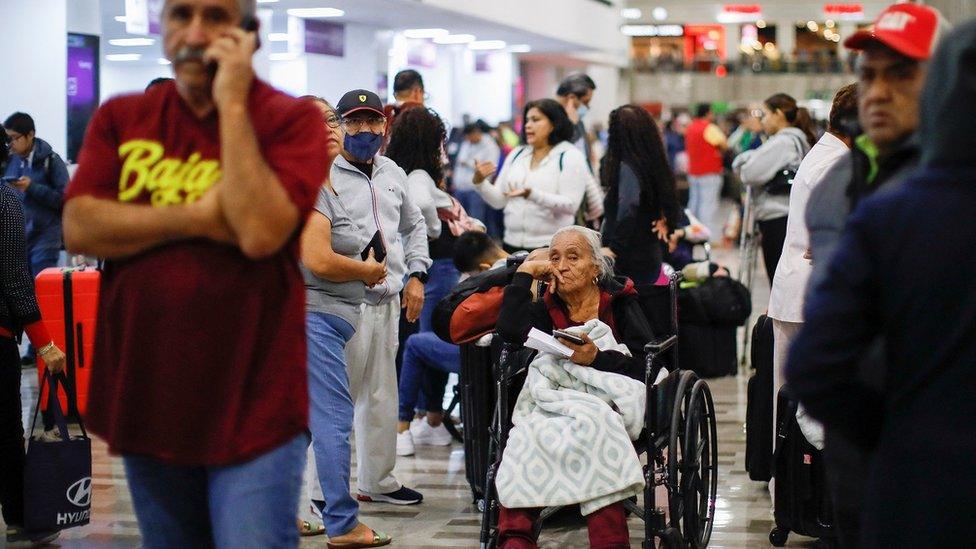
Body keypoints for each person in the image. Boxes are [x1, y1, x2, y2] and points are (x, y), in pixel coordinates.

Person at [61, 1, 330, 546]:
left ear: (249, 32)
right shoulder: (121, 118)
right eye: (181, 14)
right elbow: (81, 226)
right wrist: (199, 217)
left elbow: (257, 230)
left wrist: (232, 103)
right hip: (149, 394)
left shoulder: (288, 119)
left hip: (254, 399)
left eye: (217, 16)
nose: (196, 32)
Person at [786, 20, 976, 548]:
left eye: (901, 75)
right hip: (874, 450)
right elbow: (818, 362)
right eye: (869, 76)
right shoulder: (836, 180)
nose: (880, 93)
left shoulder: (919, 192)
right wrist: (880, 435)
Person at [494, 226, 654, 549]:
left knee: (596, 426)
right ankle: (515, 539)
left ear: (595, 268)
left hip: (604, 401)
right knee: (523, 434)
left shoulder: (619, 303)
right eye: (555, 258)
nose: (562, 266)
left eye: (573, 257)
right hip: (553, 401)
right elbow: (509, 331)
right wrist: (525, 273)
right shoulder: (547, 306)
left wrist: (595, 358)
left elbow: (645, 364)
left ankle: (609, 540)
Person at [329, 88, 431, 506]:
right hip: (341, 303)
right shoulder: (326, 176)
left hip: (387, 302)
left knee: (381, 395)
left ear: (384, 126)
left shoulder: (392, 172)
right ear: (339, 127)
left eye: (372, 121)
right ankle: (324, 494)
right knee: (337, 401)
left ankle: (378, 481)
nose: (364, 130)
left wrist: (417, 275)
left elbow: (414, 226)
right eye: (354, 122)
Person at [298, 96, 391, 547]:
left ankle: (279, 511)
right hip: (313, 316)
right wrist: (367, 271)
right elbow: (317, 259)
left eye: (331, 120)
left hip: (320, 317)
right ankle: (343, 523)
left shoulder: (322, 186)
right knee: (334, 420)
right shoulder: (311, 190)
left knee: (298, 424)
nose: (331, 128)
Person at [764, 82, 858, 499]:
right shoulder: (831, 163)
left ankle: (791, 485)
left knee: (792, 398)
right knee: (797, 401)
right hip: (805, 294)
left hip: (800, 289)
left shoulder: (830, 154)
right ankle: (791, 487)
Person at [1, 136, 67, 548]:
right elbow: (13, 279)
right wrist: (44, 343)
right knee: (6, 433)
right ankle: (22, 518)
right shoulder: (5, 202)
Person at [385, 107, 462, 455]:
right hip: (434, 268)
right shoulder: (418, 176)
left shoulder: (395, 172)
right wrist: (433, 227)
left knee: (420, 342)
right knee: (426, 345)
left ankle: (430, 419)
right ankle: (406, 424)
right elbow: (421, 215)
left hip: (420, 269)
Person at [395, 231, 512, 457]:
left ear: (484, 267)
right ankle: (433, 422)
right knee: (428, 341)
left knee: (416, 343)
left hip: (479, 353)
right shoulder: (523, 262)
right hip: (503, 354)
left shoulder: (492, 277)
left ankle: (404, 427)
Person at [471, 99, 591, 254]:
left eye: (535, 120)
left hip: (551, 247)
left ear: (554, 124)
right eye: (527, 120)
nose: (527, 125)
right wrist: (480, 183)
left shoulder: (570, 155)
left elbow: (571, 205)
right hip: (511, 244)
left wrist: (532, 194)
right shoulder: (518, 154)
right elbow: (499, 201)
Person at [3, 112, 70, 366]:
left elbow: (65, 199)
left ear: (30, 135)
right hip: (20, 239)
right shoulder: (11, 162)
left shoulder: (51, 161)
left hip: (47, 237)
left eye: (14, 138)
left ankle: (43, 349)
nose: (11, 144)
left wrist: (32, 187)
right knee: (24, 292)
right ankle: (33, 348)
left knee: (41, 293)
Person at [732, 93, 816, 282]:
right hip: (789, 216)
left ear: (778, 114)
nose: (764, 120)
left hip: (777, 218)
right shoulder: (799, 140)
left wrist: (745, 160)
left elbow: (749, 173)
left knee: (778, 278)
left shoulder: (783, 141)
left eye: (766, 114)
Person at [599, 104, 681, 285]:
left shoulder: (628, 166)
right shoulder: (653, 163)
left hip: (628, 256)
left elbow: (629, 206)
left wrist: (614, 248)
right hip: (648, 252)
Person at [554, 73, 604, 225]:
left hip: (580, 195)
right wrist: (571, 125)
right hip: (560, 198)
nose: (587, 107)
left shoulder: (578, 122)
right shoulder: (553, 122)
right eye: (586, 102)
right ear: (571, 98)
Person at [684, 103, 727, 242]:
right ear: (708, 113)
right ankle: (708, 237)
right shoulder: (710, 128)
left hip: (693, 172)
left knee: (694, 205)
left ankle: (691, 233)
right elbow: (724, 144)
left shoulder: (690, 127)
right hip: (709, 172)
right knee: (708, 206)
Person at [453, 122, 501, 235]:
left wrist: (468, 163)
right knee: (459, 222)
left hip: (476, 190)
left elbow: (490, 168)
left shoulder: (490, 146)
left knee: (476, 223)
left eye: (470, 136)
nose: (468, 139)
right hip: (460, 189)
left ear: (476, 133)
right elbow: (459, 162)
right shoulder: (466, 143)